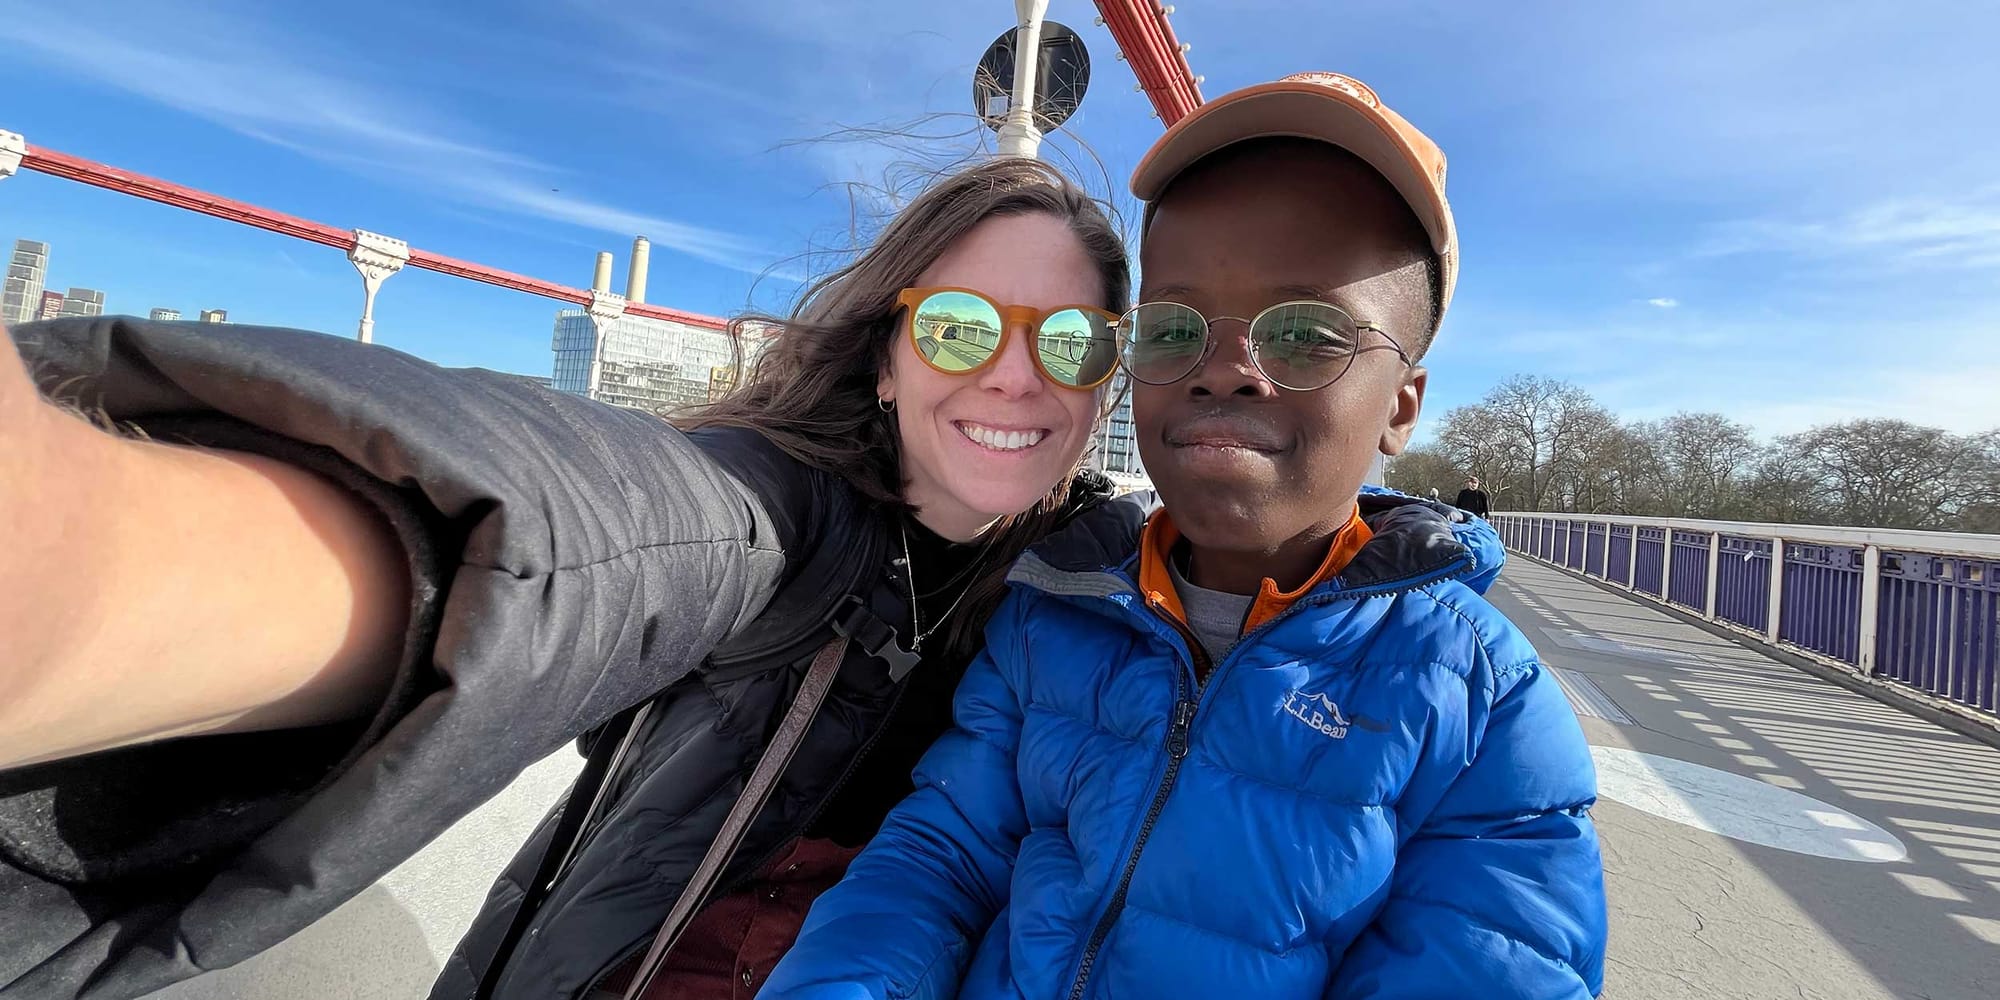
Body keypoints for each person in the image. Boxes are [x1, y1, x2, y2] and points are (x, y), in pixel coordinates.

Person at [0, 157, 1131, 1000]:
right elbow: (618, 526)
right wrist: (78, 566)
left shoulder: (1106, 579)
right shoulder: (781, 507)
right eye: (954, 328)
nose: (1015, 377)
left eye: (1069, 342)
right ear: (884, 362)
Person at [761, 72, 1607, 1000]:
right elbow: (938, 860)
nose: (1228, 370)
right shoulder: (1055, 610)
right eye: (1174, 328)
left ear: (1401, 406)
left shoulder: (1482, 705)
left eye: (1307, 336)